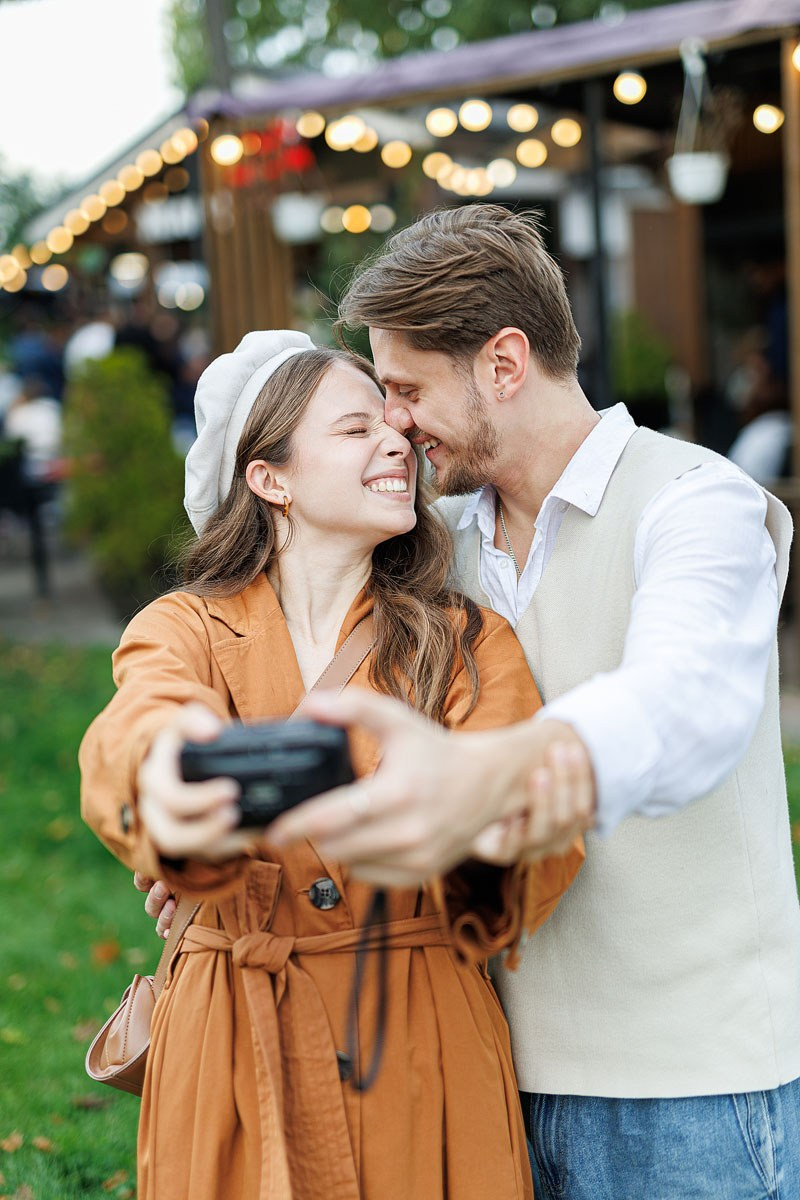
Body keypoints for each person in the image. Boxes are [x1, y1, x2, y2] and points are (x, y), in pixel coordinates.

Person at [255, 206, 800, 1199]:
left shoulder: (694, 501)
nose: (395, 421)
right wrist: (227, 845)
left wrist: (494, 769)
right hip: (487, 1071)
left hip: (688, 1089)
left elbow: (682, 703)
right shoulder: (432, 545)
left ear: (503, 364)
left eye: (408, 389)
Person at [79, 330, 584, 1200]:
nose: (398, 443)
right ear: (269, 478)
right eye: (357, 430)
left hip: (422, 1034)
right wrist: (168, 789)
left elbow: (531, 819)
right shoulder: (183, 628)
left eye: (396, 426)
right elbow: (140, 725)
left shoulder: (464, 640)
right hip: (233, 1032)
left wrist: (466, 826)